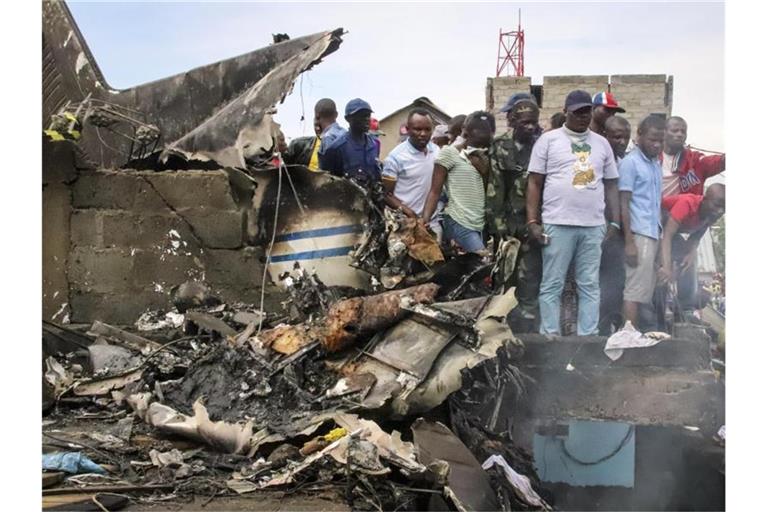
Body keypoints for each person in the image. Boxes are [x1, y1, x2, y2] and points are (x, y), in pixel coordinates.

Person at [526, 90, 620, 336]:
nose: (582, 116)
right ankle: (550, 335)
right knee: (552, 284)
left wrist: (615, 222)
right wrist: (533, 221)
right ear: (566, 111)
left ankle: (587, 338)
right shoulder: (548, 140)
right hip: (557, 223)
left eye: (586, 111)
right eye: (577, 111)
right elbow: (535, 182)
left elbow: (611, 185)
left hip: (593, 226)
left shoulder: (602, 144)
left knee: (589, 284)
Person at [487, 93, 542, 328]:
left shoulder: (544, 144)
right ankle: (502, 322)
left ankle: (529, 321)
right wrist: (498, 225)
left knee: (531, 273)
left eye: (533, 122)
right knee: (506, 274)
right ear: (512, 122)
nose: (529, 127)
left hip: (535, 220)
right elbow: (495, 188)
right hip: (508, 220)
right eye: (524, 123)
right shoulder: (500, 146)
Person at [422, 111, 495, 254]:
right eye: (478, 133)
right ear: (465, 132)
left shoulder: (491, 156)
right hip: (458, 221)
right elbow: (435, 191)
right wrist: (424, 221)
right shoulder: (449, 154)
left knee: (473, 268)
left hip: (482, 223)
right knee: (482, 260)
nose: (484, 139)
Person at [618, 115, 665, 328]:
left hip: (652, 233)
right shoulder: (631, 163)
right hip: (638, 234)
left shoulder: (655, 164)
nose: (657, 144)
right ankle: (629, 338)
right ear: (639, 136)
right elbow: (623, 202)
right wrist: (629, 241)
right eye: (652, 139)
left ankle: (634, 335)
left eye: (660, 140)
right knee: (634, 291)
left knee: (643, 291)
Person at [658, 184, 726, 322]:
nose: (720, 211)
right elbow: (667, 235)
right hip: (657, 227)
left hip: (674, 234)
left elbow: (695, 238)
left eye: (724, 208)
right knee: (662, 272)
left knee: (690, 261)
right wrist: (666, 266)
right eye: (717, 205)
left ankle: (685, 309)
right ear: (705, 199)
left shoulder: (711, 215)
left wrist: (690, 253)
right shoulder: (687, 204)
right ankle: (655, 314)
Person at [598, 115, 632, 334]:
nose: (622, 142)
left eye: (626, 138)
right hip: (595, 229)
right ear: (605, 136)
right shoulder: (595, 160)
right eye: (617, 137)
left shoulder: (627, 163)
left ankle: (607, 328)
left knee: (615, 283)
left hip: (616, 234)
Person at [381, 108, 441, 232]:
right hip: (405, 223)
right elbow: (386, 195)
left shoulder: (436, 151)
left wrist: (425, 219)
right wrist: (411, 215)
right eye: (418, 129)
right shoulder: (395, 158)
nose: (423, 134)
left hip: (431, 220)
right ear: (408, 130)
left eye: (427, 129)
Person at [661, 116, 726, 197]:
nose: (679, 134)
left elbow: (717, 161)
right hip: (651, 207)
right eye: (675, 131)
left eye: (683, 132)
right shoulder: (651, 157)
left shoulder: (694, 160)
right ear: (664, 132)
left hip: (682, 208)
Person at [319, 98, 381, 182]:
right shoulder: (336, 149)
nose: (366, 119)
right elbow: (326, 182)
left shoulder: (373, 145)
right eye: (361, 115)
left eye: (368, 115)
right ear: (348, 118)